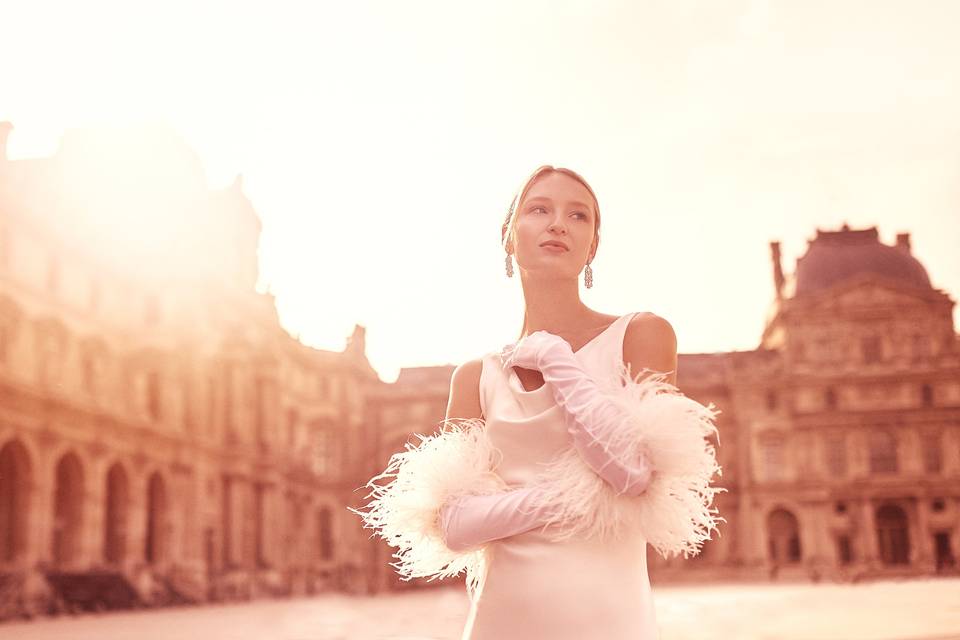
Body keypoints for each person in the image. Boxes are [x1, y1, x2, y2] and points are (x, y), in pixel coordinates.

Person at [350, 165, 724, 640]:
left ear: (593, 247)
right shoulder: (473, 377)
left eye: (579, 216)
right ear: (509, 237)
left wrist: (556, 360)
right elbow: (456, 524)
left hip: (608, 619)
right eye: (539, 209)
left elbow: (632, 473)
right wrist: (565, 497)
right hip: (500, 622)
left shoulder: (642, 334)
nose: (558, 224)